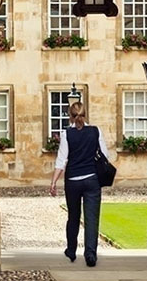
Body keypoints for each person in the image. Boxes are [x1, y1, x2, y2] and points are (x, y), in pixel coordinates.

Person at [49, 101, 109, 267]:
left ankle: (71, 249)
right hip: (92, 179)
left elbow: (62, 160)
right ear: (85, 114)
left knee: (73, 217)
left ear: (70, 116)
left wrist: (53, 182)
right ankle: (90, 254)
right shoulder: (95, 131)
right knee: (91, 218)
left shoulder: (67, 134)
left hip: (73, 181)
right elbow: (105, 154)